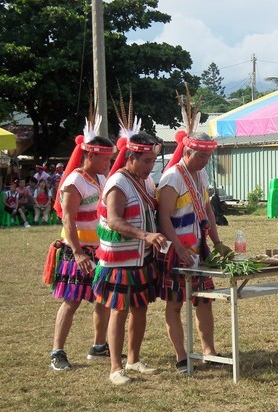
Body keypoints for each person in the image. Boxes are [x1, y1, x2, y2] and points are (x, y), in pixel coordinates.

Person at [93, 130, 169, 386]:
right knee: (119, 310)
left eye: (152, 161)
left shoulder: (146, 182)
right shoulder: (118, 182)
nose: (150, 167)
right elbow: (114, 220)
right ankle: (115, 367)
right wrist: (145, 235)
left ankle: (133, 359)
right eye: (145, 161)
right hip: (119, 260)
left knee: (140, 307)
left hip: (141, 258)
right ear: (131, 157)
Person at [157, 131, 232, 372]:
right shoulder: (172, 178)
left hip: (200, 250)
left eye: (208, 156)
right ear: (187, 152)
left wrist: (217, 241)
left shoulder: (201, 174)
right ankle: (181, 356)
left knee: (205, 301)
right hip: (178, 251)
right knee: (176, 303)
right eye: (201, 156)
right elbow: (164, 217)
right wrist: (178, 248)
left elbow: (207, 208)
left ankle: (208, 351)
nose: (205, 161)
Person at [43, 121, 115, 371]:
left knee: (103, 299)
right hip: (78, 250)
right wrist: (77, 252)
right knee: (71, 300)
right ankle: (57, 351)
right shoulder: (74, 181)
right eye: (105, 159)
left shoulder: (101, 177)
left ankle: (98, 346)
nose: (108, 164)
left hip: (100, 248)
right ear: (91, 156)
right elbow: (67, 218)